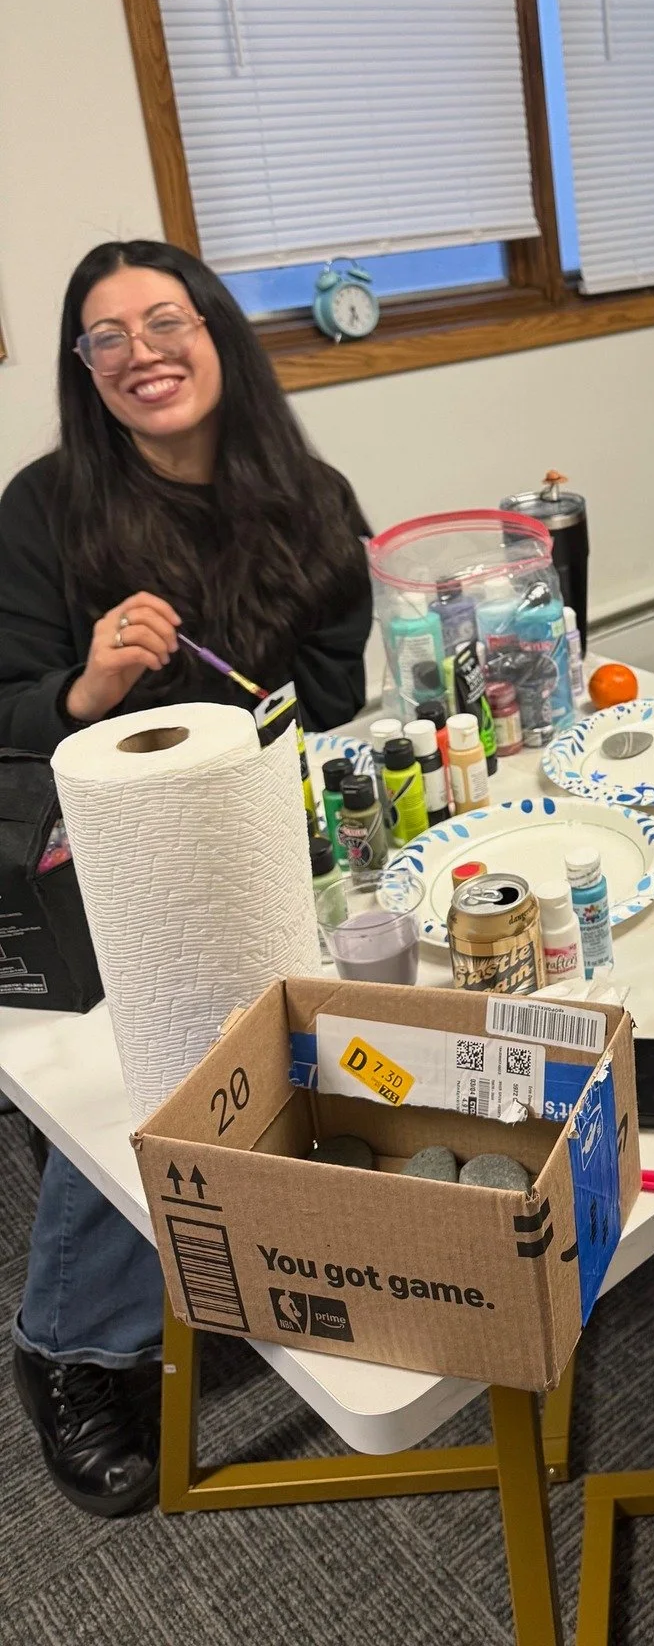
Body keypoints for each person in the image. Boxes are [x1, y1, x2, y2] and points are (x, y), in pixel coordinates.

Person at [2, 239, 371, 1518]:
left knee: (384, 959)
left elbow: (333, 698)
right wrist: (90, 685)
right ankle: (71, 1343)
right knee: (165, 1046)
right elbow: (7, 719)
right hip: (102, 852)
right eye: (106, 336)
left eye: (167, 320)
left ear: (218, 332)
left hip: (279, 820)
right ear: (85, 370)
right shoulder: (43, 511)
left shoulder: (311, 492)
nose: (142, 351)